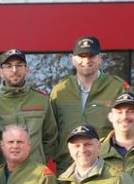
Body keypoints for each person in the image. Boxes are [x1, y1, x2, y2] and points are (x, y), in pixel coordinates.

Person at [50, 36, 129, 170]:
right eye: (81, 56)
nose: (86, 60)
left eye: (91, 56)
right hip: (67, 168)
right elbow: (50, 133)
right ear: (73, 60)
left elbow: (130, 128)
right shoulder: (59, 92)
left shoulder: (117, 88)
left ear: (99, 58)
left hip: (107, 167)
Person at [0, 49, 58, 165]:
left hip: (35, 170)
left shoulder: (41, 100)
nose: (14, 70)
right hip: (4, 171)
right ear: (1, 72)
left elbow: (51, 137)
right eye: (9, 66)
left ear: (27, 69)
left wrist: (39, 161)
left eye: (19, 65)